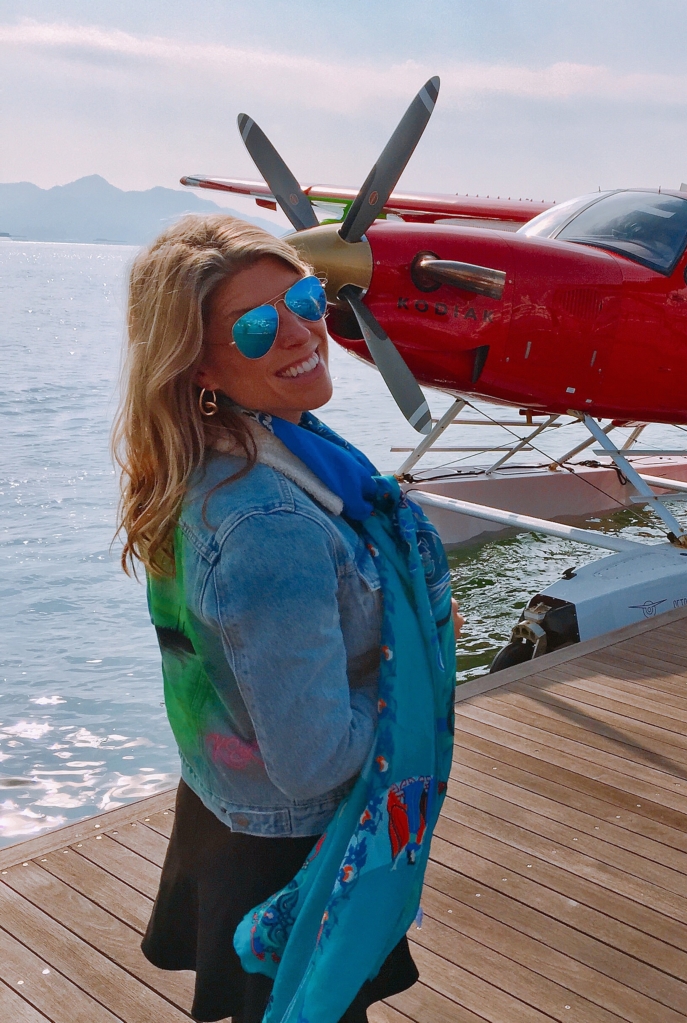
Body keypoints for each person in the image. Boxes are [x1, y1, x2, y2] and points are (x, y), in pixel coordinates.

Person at [114, 214, 458, 1023]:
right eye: (259, 326)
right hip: (294, 845)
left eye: (306, 299)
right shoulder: (272, 523)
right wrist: (407, 702)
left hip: (228, 803)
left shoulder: (235, 444)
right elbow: (311, 759)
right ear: (198, 364)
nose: (303, 332)